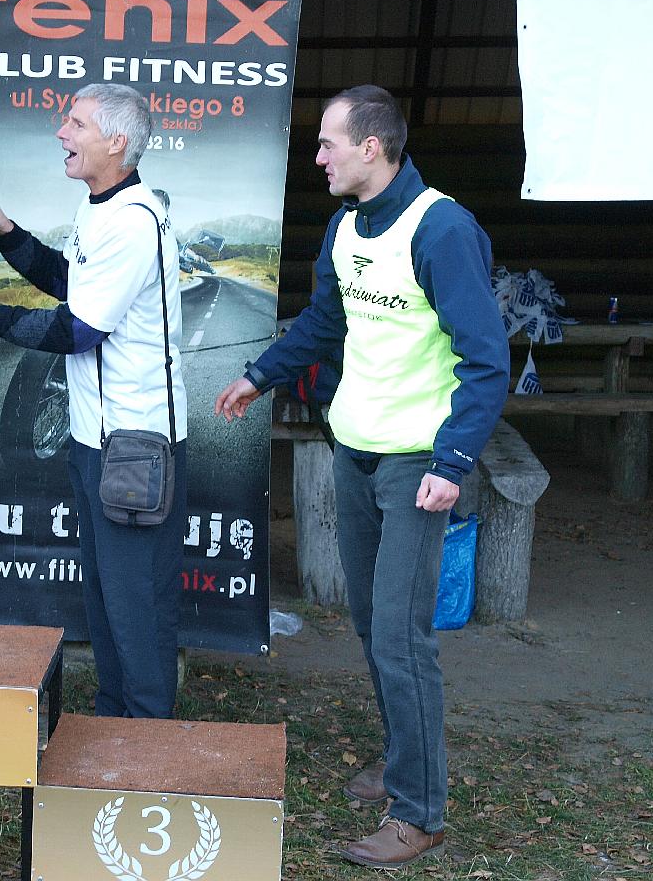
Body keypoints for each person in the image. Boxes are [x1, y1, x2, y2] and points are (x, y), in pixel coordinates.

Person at [214, 85, 508, 869]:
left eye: (328, 143)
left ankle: (420, 813)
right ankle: (404, 758)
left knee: (403, 637)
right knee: (375, 625)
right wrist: (261, 375)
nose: (318, 157)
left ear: (371, 148)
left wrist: (453, 460)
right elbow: (325, 321)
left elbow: (487, 357)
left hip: (418, 461)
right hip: (356, 448)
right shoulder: (347, 225)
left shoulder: (442, 229)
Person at [0, 83, 188, 719]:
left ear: (116, 143)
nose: (62, 132)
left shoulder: (132, 221)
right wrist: (6, 231)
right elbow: (70, 282)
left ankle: (146, 736)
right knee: (107, 597)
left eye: (76, 123)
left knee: (135, 604)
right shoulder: (101, 207)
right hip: (96, 439)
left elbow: (76, 329)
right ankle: (115, 717)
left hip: (134, 444)